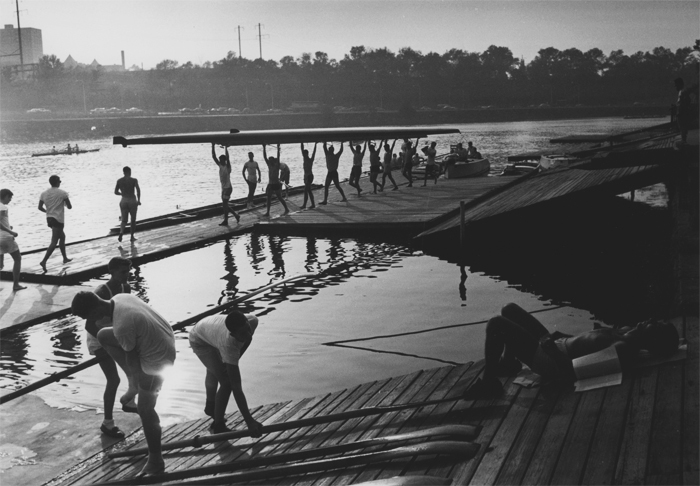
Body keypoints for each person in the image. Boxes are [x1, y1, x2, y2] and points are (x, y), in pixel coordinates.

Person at [463, 303, 680, 399]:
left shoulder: (623, 348)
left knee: (496, 324)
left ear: (653, 338)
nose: (651, 320)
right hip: (557, 345)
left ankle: (489, 383)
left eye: (656, 324)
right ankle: (510, 363)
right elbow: (586, 342)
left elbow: (574, 371)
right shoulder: (626, 332)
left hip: (549, 360)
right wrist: (562, 337)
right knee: (509, 310)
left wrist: (551, 349)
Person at [71, 290, 176, 476]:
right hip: (164, 336)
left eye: (89, 317)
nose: (92, 322)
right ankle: (134, 386)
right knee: (103, 335)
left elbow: (133, 362)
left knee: (145, 409)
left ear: (95, 312)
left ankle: (156, 461)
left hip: (158, 359)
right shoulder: (120, 298)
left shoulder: (123, 325)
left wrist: (135, 386)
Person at [84, 257, 138, 439]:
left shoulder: (126, 288)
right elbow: (89, 326)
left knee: (134, 366)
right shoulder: (101, 292)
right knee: (113, 379)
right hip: (98, 338)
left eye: (128, 271)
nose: (127, 275)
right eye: (123, 272)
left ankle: (129, 401)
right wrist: (108, 341)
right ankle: (107, 423)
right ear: (112, 272)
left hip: (114, 334)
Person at [188, 310, 264, 436]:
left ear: (247, 321)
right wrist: (249, 421)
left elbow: (247, 340)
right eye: (242, 333)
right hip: (199, 339)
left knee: (216, 369)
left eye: (248, 328)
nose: (249, 333)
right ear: (233, 334)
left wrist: (233, 360)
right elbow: (236, 388)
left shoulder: (252, 321)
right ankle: (218, 425)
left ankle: (210, 407)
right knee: (226, 382)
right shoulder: (228, 344)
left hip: (210, 330)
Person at [38, 175, 72, 272]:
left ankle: (65, 258)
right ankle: (44, 261)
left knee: (62, 237)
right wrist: (64, 203)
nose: (60, 182)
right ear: (57, 182)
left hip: (49, 219)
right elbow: (69, 207)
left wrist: (48, 212)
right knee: (54, 241)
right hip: (58, 219)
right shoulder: (63, 193)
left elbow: (40, 207)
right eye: (59, 181)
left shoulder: (44, 193)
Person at [0, 189, 26, 291]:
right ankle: (16, 285)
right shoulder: (3, 207)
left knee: (0, 264)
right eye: (9, 197)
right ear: (5, 196)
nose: (10, 200)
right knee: (17, 259)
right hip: (6, 238)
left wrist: (8, 226)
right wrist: (11, 232)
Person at [211, 144, 240, 226]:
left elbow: (228, 157)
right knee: (225, 204)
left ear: (225, 160)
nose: (220, 161)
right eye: (220, 160)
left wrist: (226, 148)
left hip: (228, 188)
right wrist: (213, 146)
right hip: (223, 188)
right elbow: (214, 156)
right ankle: (236, 215)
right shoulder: (220, 166)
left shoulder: (228, 167)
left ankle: (226, 220)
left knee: (224, 204)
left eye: (222, 160)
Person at [114, 166, 141, 242]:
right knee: (133, 220)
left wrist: (122, 193)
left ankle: (121, 232)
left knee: (124, 220)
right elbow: (138, 190)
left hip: (123, 201)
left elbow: (115, 192)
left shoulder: (119, 181)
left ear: (123, 172)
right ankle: (132, 237)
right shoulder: (134, 180)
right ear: (130, 172)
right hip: (132, 200)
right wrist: (138, 200)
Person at [262, 144, 289, 217]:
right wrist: (264, 147)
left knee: (279, 197)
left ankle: (286, 209)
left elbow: (278, 157)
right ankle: (267, 212)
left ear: (273, 161)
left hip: (276, 183)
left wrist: (278, 148)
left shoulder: (276, 166)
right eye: (269, 160)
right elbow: (264, 157)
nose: (269, 161)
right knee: (268, 198)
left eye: (271, 160)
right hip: (270, 184)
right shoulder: (269, 165)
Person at [674, 77, 699, 144]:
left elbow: (687, 100)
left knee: (682, 126)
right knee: (681, 126)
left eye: (676, 85)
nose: (675, 87)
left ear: (680, 84)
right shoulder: (681, 91)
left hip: (681, 112)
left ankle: (683, 140)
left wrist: (683, 107)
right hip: (680, 111)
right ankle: (683, 139)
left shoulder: (683, 91)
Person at [300, 142, 317, 209]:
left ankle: (304, 205)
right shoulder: (304, 158)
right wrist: (301, 142)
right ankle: (313, 204)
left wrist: (315, 145)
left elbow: (314, 153)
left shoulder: (310, 160)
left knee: (306, 190)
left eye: (304, 154)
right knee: (309, 191)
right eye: (303, 154)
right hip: (306, 176)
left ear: (307, 154)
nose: (303, 155)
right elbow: (302, 149)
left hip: (310, 176)